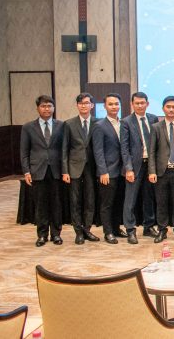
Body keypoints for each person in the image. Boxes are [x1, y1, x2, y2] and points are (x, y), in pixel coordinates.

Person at [21, 95, 64, 247]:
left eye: (49, 106)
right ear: (38, 108)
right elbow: (24, 152)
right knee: (40, 205)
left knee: (56, 204)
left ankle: (56, 234)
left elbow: (64, 150)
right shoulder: (28, 127)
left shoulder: (61, 125)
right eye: (43, 106)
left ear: (54, 108)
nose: (47, 109)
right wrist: (26, 171)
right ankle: (42, 235)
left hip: (56, 171)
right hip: (37, 171)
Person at [147, 96, 174, 243]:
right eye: (168, 107)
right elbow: (151, 151)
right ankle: (162, 230)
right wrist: (152, 171)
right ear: (163, 108)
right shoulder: (156, 127)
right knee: (161, 202)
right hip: (161, 172)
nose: (171, 109)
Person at [120, 92, 159, 244]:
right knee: (130, 199)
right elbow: (124, 148)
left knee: (149, 197)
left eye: (142, 103)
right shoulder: (126, 122)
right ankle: (130, 229)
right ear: (132, 104)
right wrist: (128, 169)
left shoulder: (153, 119)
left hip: (150, 165)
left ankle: (148, 226)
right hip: (134, 166)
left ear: (147, 104)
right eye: (137, 103)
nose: (140, 105)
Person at [61, 93, 99, 244]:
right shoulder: (69, 124)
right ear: (77, 105)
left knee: (90, 200)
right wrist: (65, 170)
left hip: (92, 167)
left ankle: (87, 230)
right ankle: (78, 232)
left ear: (92, 105)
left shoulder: (98, 123)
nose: (84, 105)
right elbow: (64, 149)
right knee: (75, 201)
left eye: (86, 103)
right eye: (81, 103)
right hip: (74, 167)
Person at [92, 93, 127, 244]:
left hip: (122, 171)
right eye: (111, 104)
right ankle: (108, 232)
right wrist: (103, 171)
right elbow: (98, 151)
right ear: (105, 106)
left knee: (119, 201)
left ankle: (116, 228)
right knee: (107, 204)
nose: (114, 107)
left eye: (116, 104)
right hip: (108, 172)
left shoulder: (124, 123)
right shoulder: (99, 125)